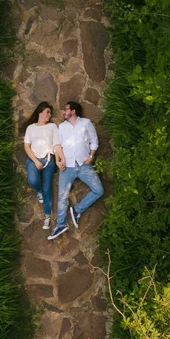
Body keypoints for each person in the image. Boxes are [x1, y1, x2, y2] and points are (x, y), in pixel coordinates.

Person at [47, 100, 104, 240]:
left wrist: (91, 156)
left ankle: (77, 209)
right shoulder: (61, 127)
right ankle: (60, 225)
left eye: (65, 109)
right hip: (67, 167)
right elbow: (57, 146)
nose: (63, 112)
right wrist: (59, 161)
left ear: (73, 111)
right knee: (62, 196)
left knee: (99, 190)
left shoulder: (86, 123)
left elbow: (94, 141)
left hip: (84, 165)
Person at [22, 101, 59, 230]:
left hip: (49, 160)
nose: (49, 115)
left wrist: (59, 160)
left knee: (47, 188)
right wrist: (36, 161)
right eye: (47, 112)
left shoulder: (53, 127)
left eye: (50, 113)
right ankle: (38, 191)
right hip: (33, 159)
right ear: (40, 112)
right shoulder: (31, 128)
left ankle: (47, 217)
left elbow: (56, 144)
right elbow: (26, 146)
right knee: (32, 180)